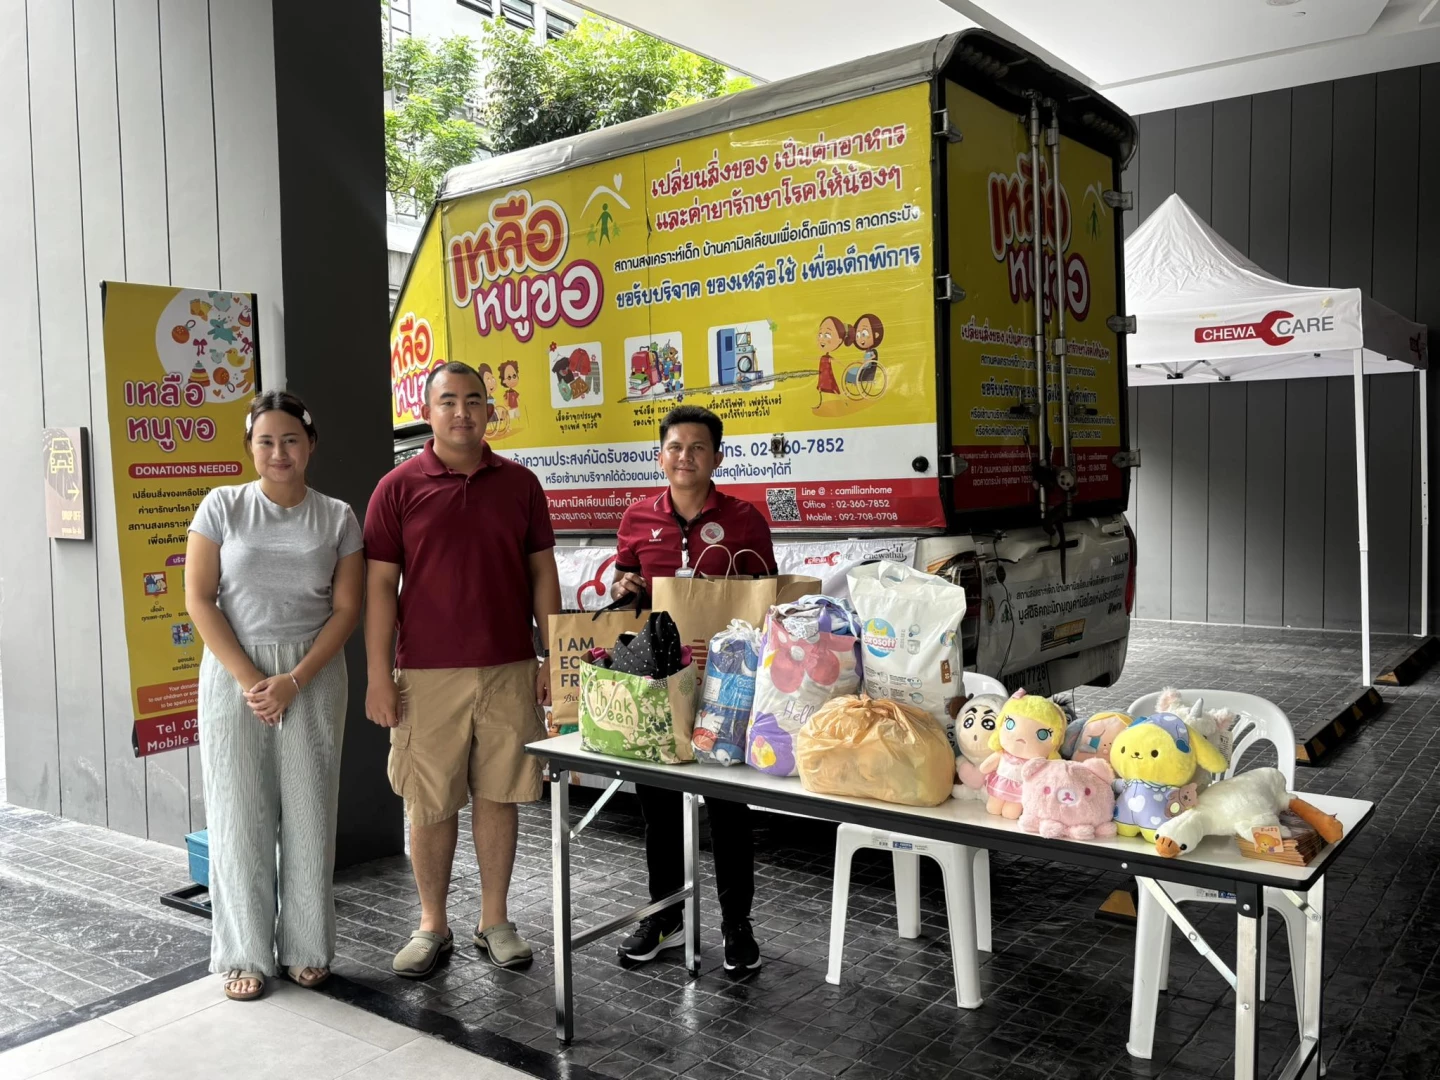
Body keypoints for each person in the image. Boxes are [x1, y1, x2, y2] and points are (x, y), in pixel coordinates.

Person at [364, 360, 561, 978]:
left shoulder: (521, 485)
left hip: (509, 666)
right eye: (448, 401)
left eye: (473, 400)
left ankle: (494, 920)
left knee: (500, 795)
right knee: (430, 802)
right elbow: (379, 588)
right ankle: (432, 923)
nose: (462, 412)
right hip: (425, 674)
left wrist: (553, 656)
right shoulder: (397, 488)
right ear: (427, 411)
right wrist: (377, 675)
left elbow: (542, 574)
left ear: (488, 410)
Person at [186, 391, 364, 1001]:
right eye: (266, 441)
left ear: (310, 444)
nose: (279, 452)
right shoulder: (222, 506)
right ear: (250, 447)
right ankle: (244, 953)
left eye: (290, 439)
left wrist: (295, 679)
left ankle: (307, 946)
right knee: (238, 813)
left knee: (311, 812)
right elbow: (199, 599)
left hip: (312, 674)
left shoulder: (337, 517)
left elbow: (347, 609)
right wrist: (248, 679)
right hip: (234, 673)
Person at [611, 405, 773, 975]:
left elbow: (766, 596)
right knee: (657, 808)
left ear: (717, 457)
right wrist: (623, 584)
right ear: (661, 456)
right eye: (675, 447)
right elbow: (624, 591)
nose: (686, 457)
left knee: (729, 809)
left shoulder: (745, 519)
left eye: (698, 447)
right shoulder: (636, 518)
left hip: (727, 689)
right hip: (659, 686)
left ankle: (737, 924)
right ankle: (665, 918)